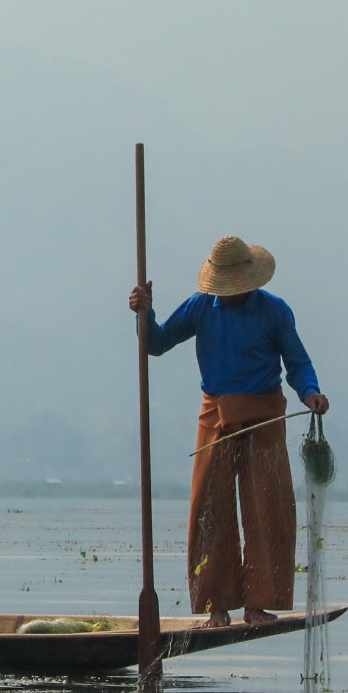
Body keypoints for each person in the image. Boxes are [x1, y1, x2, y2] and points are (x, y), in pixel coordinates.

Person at [129, 235, 328, 628]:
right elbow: (157, 343)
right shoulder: (202, 306)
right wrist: (145, 314)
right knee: (210, 508)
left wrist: (311, 393)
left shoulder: (274, 311)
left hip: (265, 414)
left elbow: (298, 363)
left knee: (266, 508)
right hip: (216, 413)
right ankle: (216, 607)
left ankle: (258, 604)